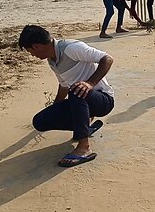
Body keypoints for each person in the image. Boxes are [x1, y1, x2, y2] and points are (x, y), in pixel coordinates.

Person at [18, 25, 115, 167]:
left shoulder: (71, 48)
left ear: (36, 46)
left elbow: (107, 59)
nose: (32, 55)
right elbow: (64, 85)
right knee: (40, 121)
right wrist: (55, 109)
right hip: (80, 101)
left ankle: (84, 147)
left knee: (76, 90)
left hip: (103, 100)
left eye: (30, 51)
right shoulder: (52, 61)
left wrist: (90, 84)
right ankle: (84, 127)